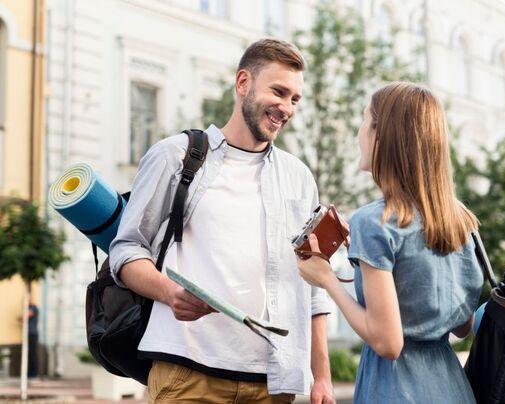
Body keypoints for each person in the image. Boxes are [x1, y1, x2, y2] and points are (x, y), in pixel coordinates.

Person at [110, 39, 335, 404]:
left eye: (295, 99)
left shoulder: (299, 178)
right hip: (186, 374)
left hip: (272, 383)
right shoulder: (176, 157)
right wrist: (169, 293)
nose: (286, 108)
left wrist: (321, 376)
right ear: (243, 83)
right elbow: (126, 249)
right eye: (278, 92)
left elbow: (313, 281)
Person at [297, 82, 483, 403]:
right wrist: (364, 248)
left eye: (363, 119)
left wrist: (326, 278)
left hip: (396, 390)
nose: (358, 132)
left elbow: (388, 344)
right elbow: (461, 327)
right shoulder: (460, 221)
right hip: (452, 387)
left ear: (382, 135)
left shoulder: (374, 221)